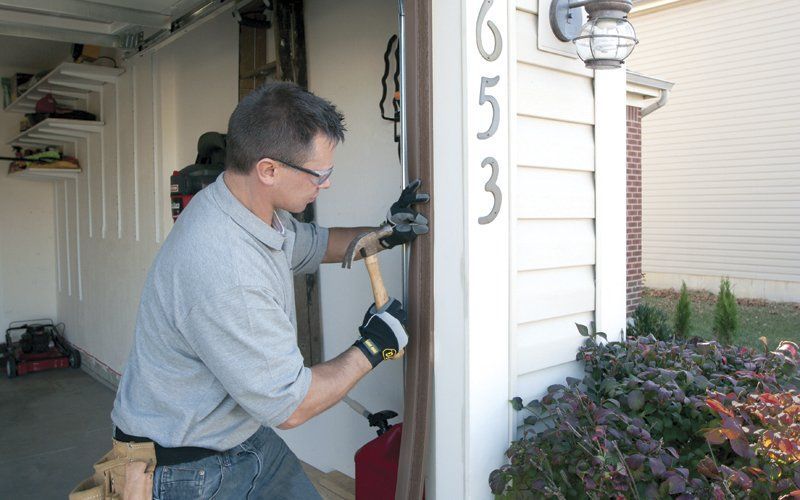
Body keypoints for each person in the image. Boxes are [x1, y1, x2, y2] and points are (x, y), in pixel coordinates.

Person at [110, 82, 429, 499]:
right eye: (321, 174)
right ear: (268, 170)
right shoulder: (227, 270)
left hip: (237, 436)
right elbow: (292, 406)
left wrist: (385, 234)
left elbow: (312, 244)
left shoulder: (243, 206)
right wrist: (374, 347)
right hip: (187, 467)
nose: (327, 183)